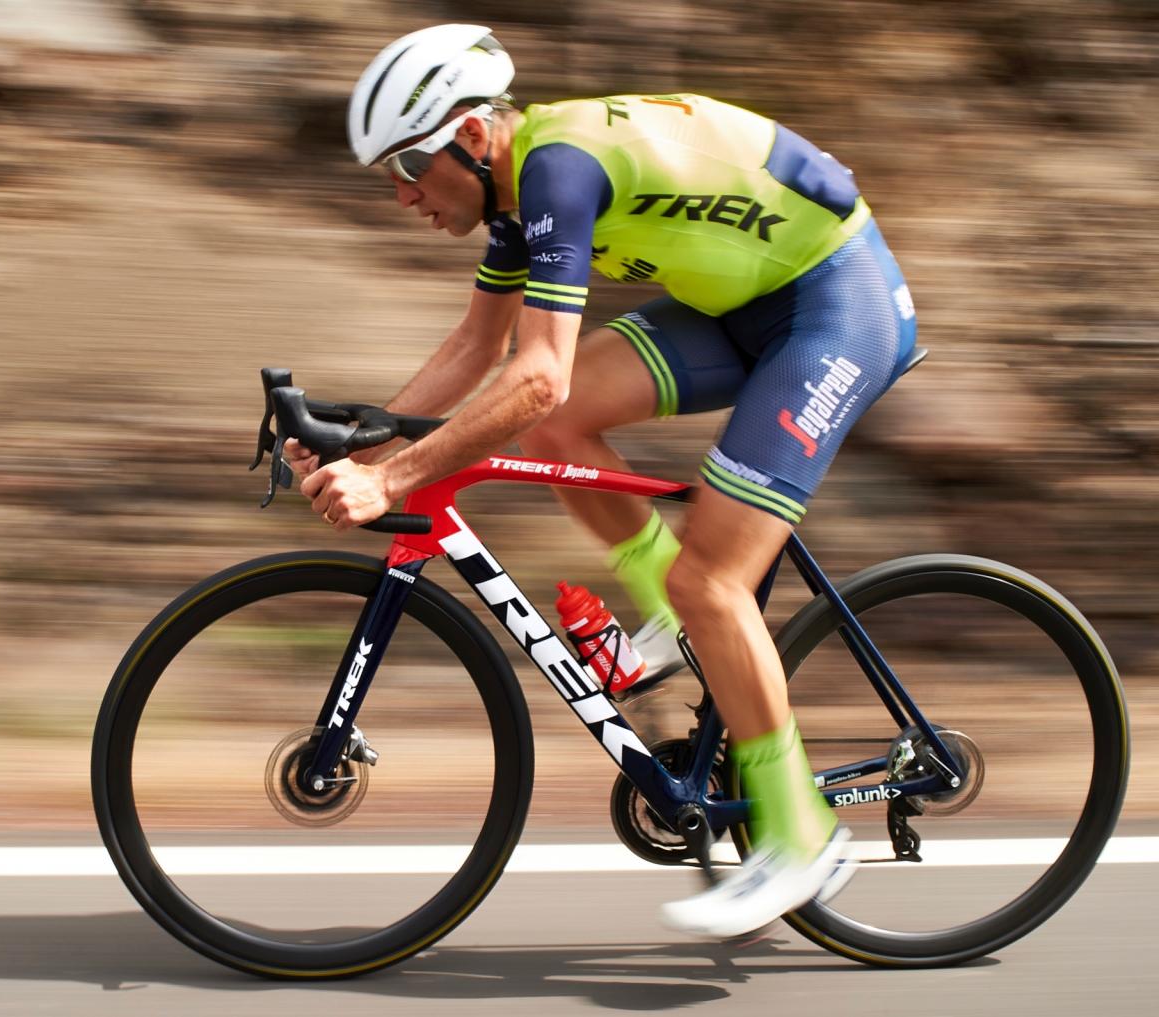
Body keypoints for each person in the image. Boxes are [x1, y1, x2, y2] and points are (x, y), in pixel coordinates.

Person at [285, 23, 918, 937]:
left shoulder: (558, 170)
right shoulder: (516, 192)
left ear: (467, 137)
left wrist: (396, 481)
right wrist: (363, 441)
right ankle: (679, 621)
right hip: (745, 303)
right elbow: (477, 350)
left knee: (713, 578)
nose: (401, 196)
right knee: (556, 428)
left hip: (834, 304)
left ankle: (800, 837)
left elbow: (538, 367)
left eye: (407, 169)